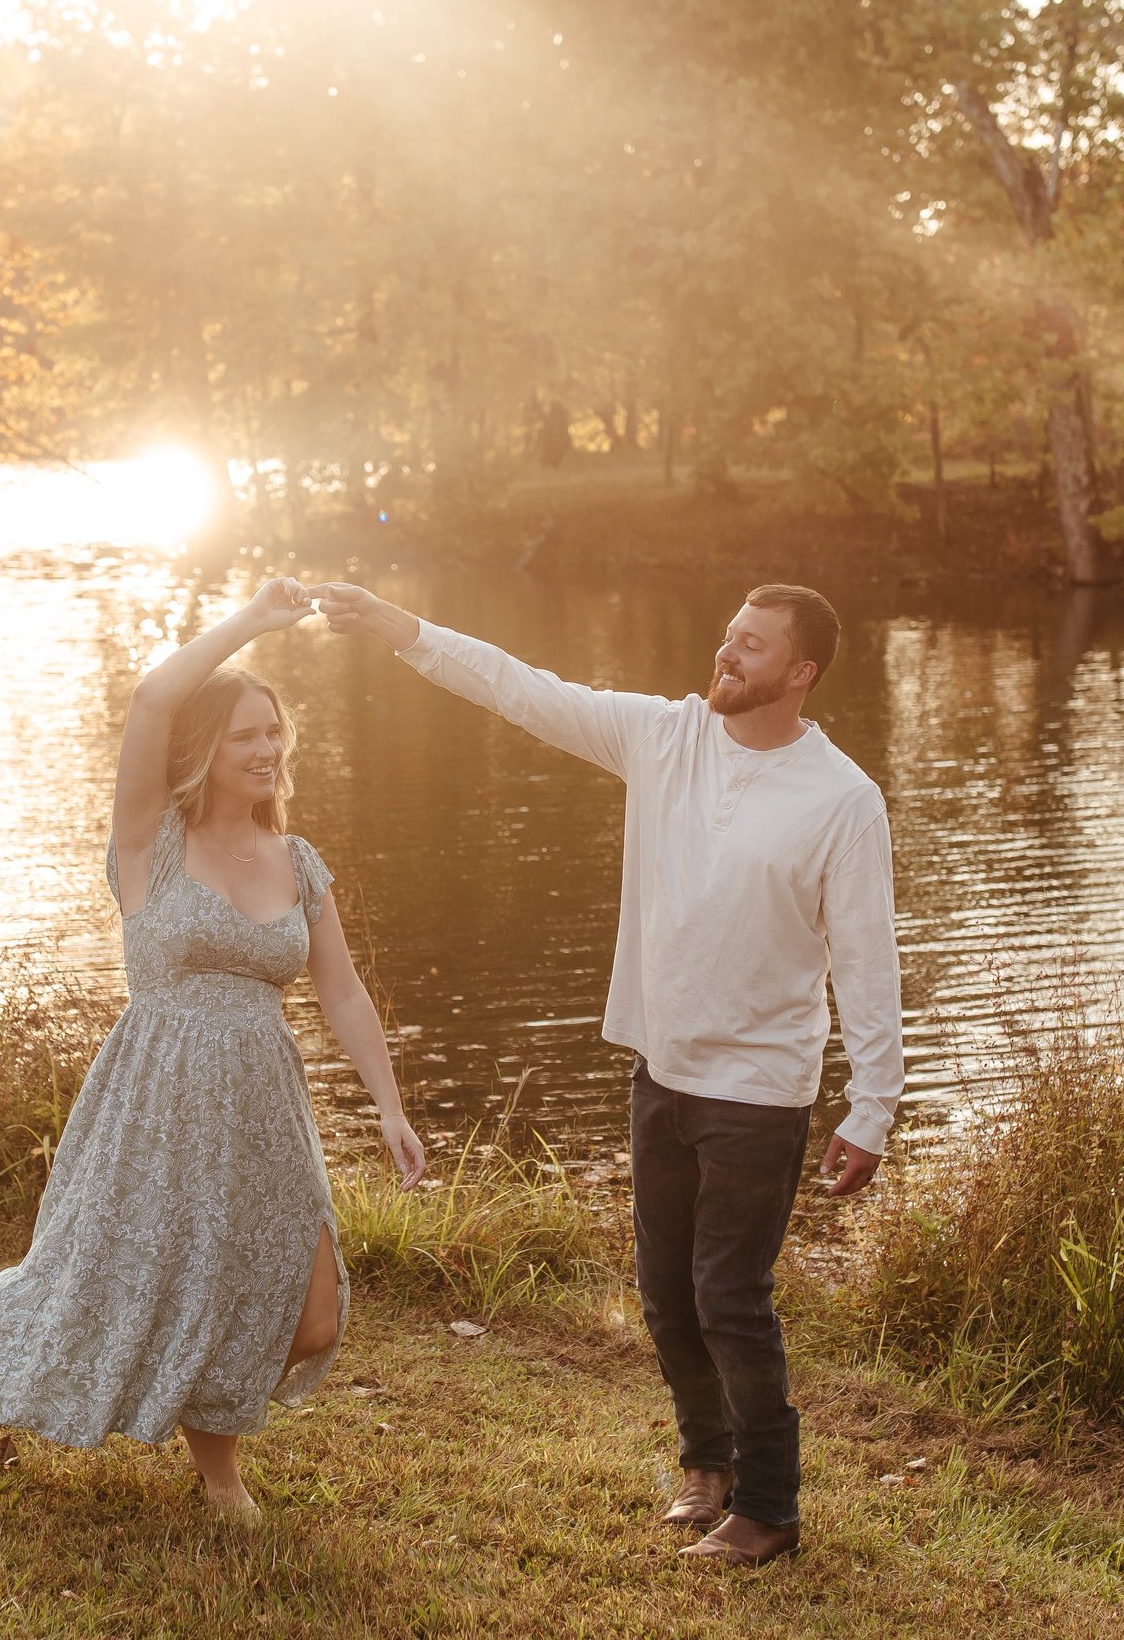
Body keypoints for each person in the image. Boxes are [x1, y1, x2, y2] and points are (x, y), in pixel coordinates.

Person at [315, 580, 902, 1567]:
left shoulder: (842, 799)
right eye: (728, 634)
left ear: (801, 672)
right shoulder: (662, 737)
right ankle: (706, 1465)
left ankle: (769, 1506)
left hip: (760, 1088)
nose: (727, 653)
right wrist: (395, 625)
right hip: (659, 1069)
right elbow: (520, 688)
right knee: (665, 1293)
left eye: (752, 645)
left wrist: (873, 1105)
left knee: (729, 1297)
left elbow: (867, 959)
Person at [0, 576, 427, 1523]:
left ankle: (186, 1401)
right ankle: (219, 1477)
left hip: (264, 1109)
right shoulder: (150, 844)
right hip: (157, 1101)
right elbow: (151, 699)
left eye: (274, 732)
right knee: (131, 1282)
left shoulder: (298, 862)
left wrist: (389, 1105)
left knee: (311, 1313)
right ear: (205, 749)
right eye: (245, 734)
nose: (266, 749)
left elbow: (340, 990)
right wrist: (252, 621)